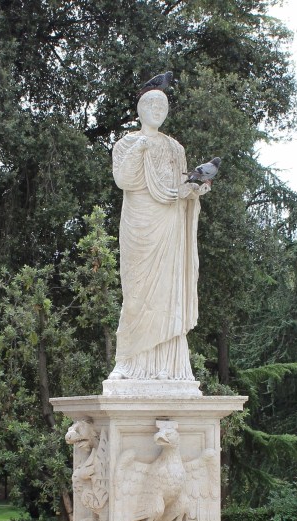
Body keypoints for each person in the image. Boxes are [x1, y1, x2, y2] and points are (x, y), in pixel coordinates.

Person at [108, 88, 211, 381]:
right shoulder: (126, 143)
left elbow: (180, 188)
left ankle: (169, 366)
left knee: (168, 293)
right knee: (136, 293)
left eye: (163, 104)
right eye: (151, 103)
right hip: (139, 224)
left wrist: (195, 190)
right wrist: (139, 148)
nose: (157, 109)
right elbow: (123, 180)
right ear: (140, 108)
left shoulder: (175, 148)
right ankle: (127, 362)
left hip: (169, 224)